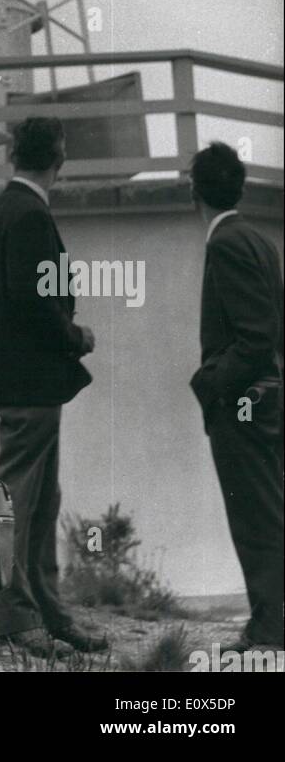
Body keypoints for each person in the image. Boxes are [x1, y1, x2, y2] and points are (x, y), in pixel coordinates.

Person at [0, 116, 105, 657]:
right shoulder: (29, 214)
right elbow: (32, 300)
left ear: (13, 154)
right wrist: (76, 335)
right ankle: (21, 616)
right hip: (30, 386)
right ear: (60, 157)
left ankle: (46, 611)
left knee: (39, 502)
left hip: (12, 384)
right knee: (25, 503)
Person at [189, 142, 284, 650]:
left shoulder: (224, 243)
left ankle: (270, 628)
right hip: (269, 399)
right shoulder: (260, 241)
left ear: (193, 192)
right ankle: (271, 622)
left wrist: (208, 383)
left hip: (243, 406)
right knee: (270, 511)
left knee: (255, 519)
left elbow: (254, 337)